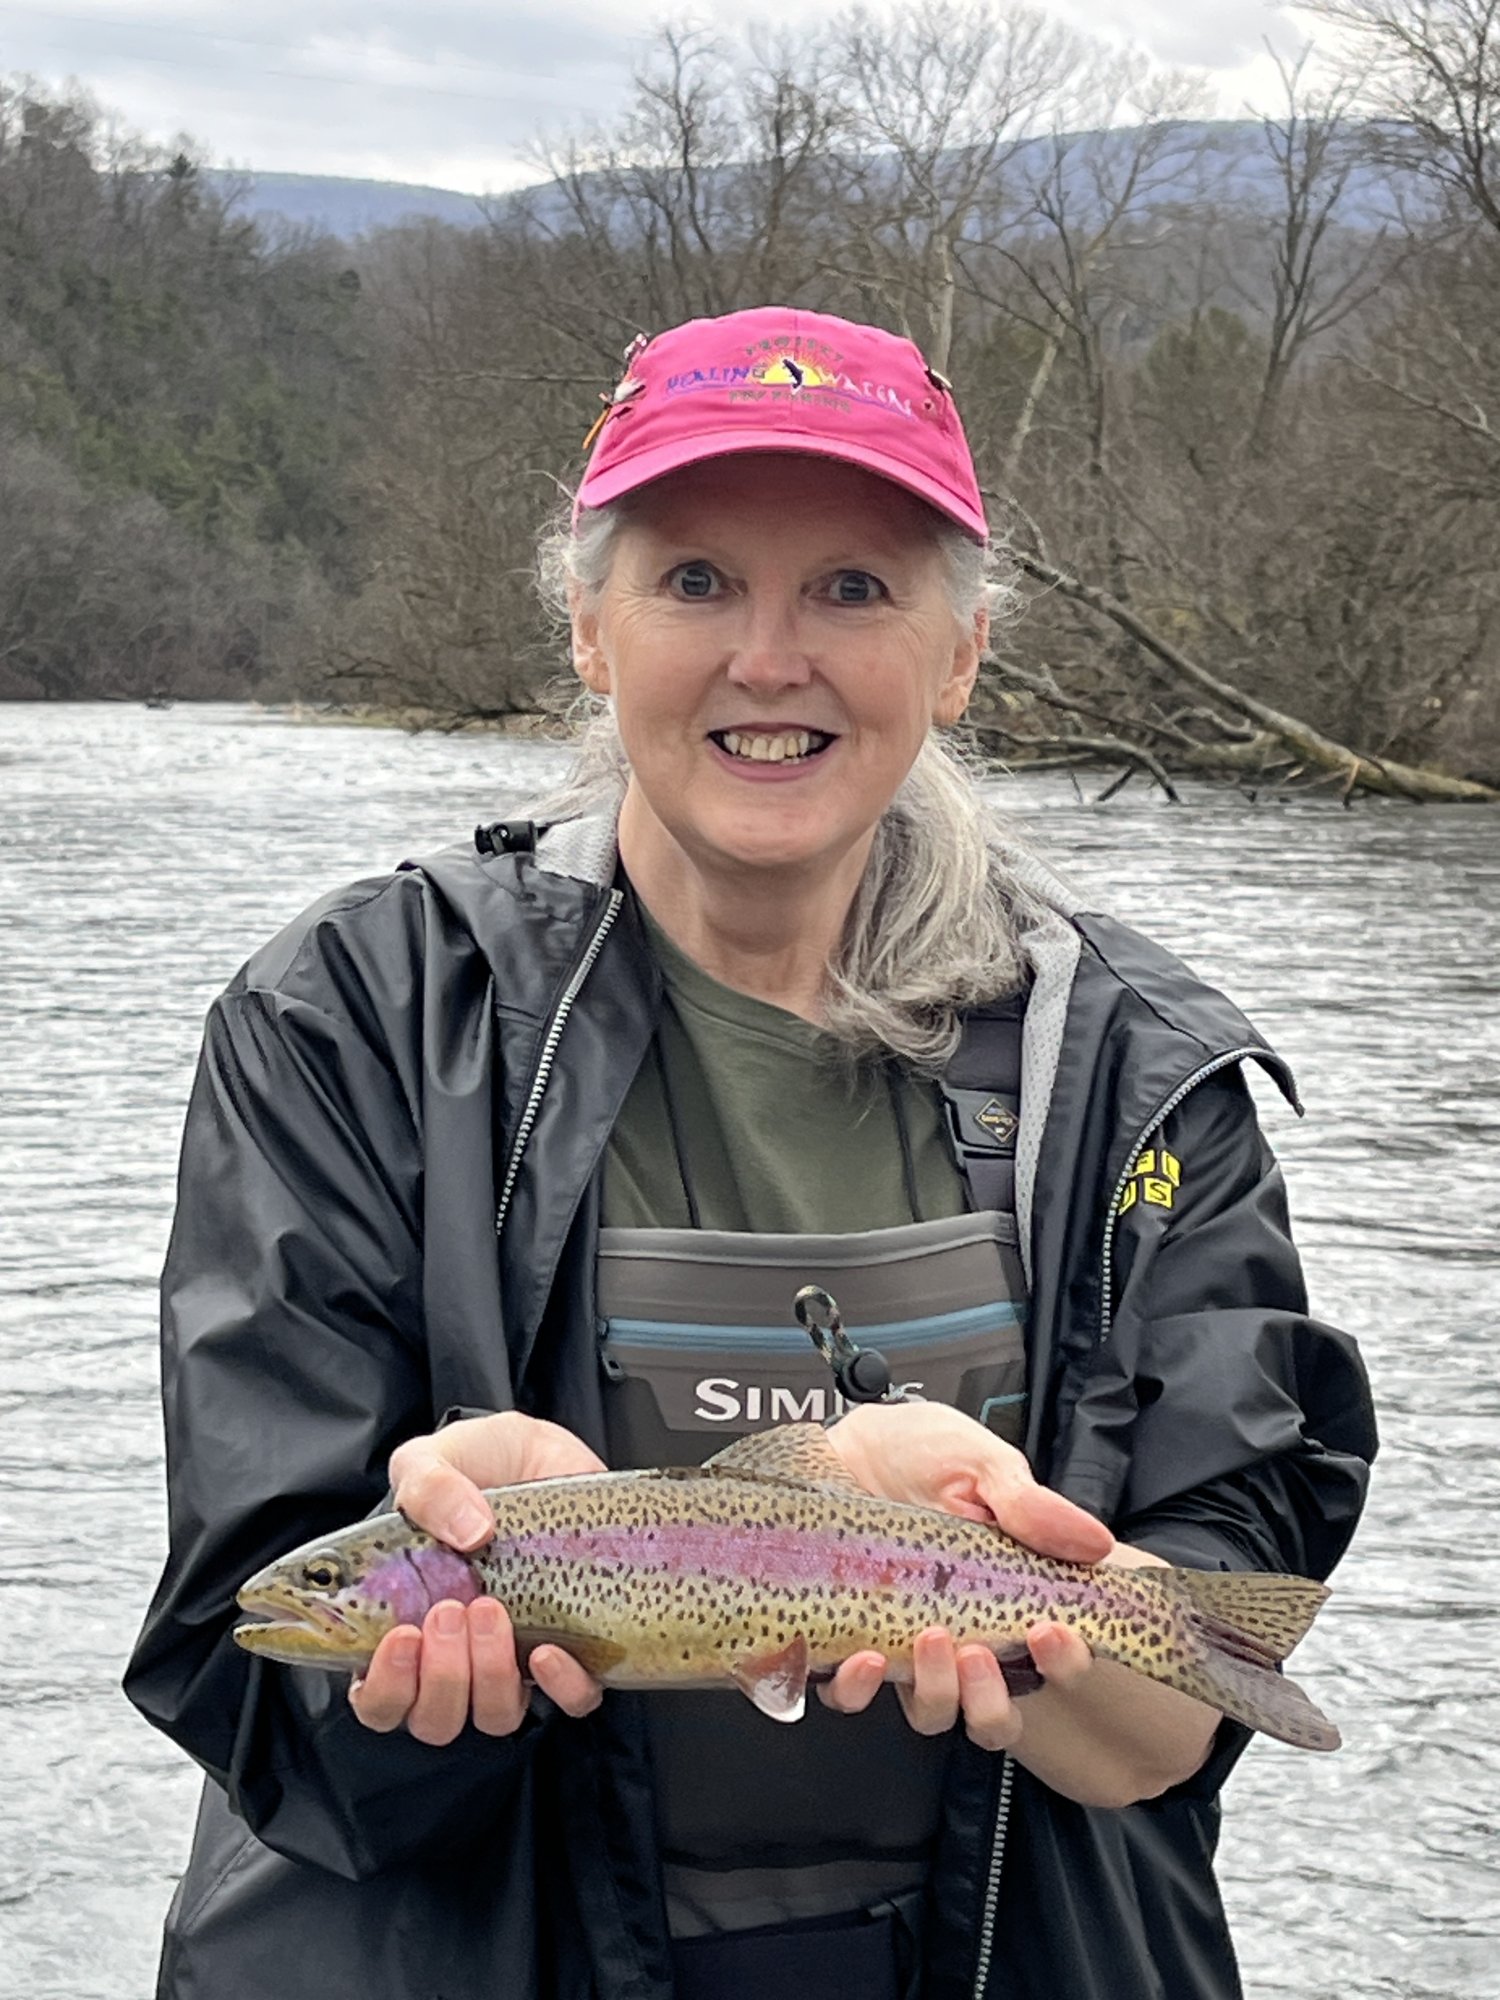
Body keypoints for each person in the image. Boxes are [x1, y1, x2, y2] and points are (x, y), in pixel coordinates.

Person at [125, 306, 1376, 2000]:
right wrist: (419, 1652)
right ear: (589, 628)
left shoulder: (1148, 1081)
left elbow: (1171, 1712)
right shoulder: (351, 1022)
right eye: (696, 580)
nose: (768, 658)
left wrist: (1018, 1581)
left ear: (960, 655)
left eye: (853, 588)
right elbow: (248, 1654)